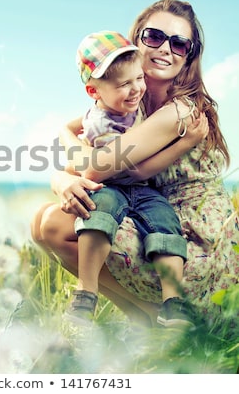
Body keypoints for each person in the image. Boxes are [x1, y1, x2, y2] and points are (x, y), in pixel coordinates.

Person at [31, 0, 239, 333]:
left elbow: (97, 168)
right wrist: (61, 179)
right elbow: (84, 142)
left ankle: (175, 325)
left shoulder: (182, 110)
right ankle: (146, 319)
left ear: (189, 55)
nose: (165, 49)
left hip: (191, 241)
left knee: (56, 223)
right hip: (149, 214)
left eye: (179, 43)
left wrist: (66, 143)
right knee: (39, 223)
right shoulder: (129, 100)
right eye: (154, 36)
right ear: (136, 41)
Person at [65, 30, 206, 328]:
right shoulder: (94, 119)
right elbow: (92, 165)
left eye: (138, 79)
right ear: (95, 92)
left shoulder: (143, 108)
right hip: (110, 186)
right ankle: (86, 291)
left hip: (142, 192)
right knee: (96, 215)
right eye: (123, 84)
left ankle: (173, 302)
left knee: (165, 222)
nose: (135, 89)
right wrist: (68, 175)